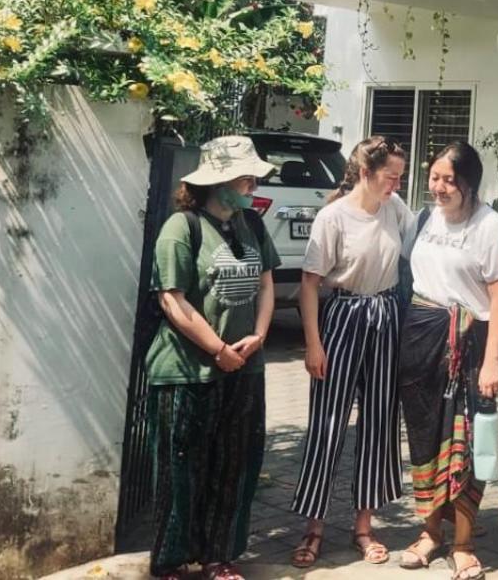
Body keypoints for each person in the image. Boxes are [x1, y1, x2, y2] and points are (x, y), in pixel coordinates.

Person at [144, 135, 279, 580]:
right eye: (245, 177)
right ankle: (170, 560)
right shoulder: (181, 228)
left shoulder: (251, 224)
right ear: (218, 181)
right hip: (187, 372)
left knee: (236, 463)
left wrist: (259, 336)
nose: (253, 184)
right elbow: (172, 299)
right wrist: (218, 350)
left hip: (245, 367)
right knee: (181, 467)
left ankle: (221, 556)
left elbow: (266, 283)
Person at [289, 137, 413, 568]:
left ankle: (364, 526)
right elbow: (309, 284)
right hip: (342, 316)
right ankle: (314, 527)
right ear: (365, 172)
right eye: (390, 176)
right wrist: (313, 343)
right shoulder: (333, 217)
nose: (396, 184)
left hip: (386, 316)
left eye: (400, 177)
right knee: (328, 423)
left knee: (379, 422)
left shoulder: (396, 209)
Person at [397, 141, 498, 578]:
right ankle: (430, 532)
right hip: (421, 336)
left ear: (469, 183)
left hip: (472, 342)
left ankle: (464, 542)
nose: (440, 187)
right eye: (435, 177)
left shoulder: (489, 226)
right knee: (424, 435)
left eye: (450, 180)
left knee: (472, 442)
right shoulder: (423, 219)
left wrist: (493, 361)